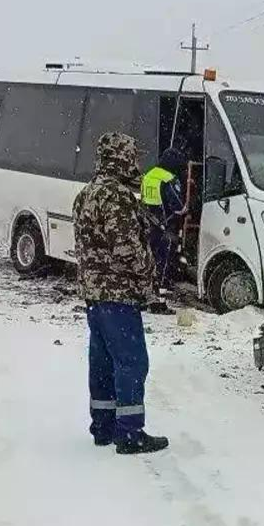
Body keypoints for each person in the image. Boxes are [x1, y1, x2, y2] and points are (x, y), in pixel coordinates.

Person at [73, 132, 169, 455]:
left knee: (101, 361)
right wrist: (150, 271)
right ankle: (129, 432)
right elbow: (126, 246)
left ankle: (103, 427)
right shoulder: (116, 196)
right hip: (119, 294)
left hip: (94, 295)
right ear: (122, 158)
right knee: (131, 361)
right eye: (131, 155)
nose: (135, 162)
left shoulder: (86, 194)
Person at [140, 146, 189, 314]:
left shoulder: (149, 174)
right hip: (165, 227)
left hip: (148, 226)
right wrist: (185, 208)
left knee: (148, 263)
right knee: (164, 264)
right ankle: (159, 304)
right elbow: (178, 206)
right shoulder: (169, 178)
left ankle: (144, 299)